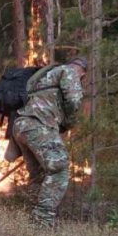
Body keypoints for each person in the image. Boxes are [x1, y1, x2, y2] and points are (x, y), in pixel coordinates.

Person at [12, 57, 86, 227]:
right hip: (38, 124)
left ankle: (30, 219)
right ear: (82, 72)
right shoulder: (69, 72)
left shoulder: (45, 76)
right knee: (59, 168)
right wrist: (69, 122)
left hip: (21, 125)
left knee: (38, 174)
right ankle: (42, 221)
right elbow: (74, 100)